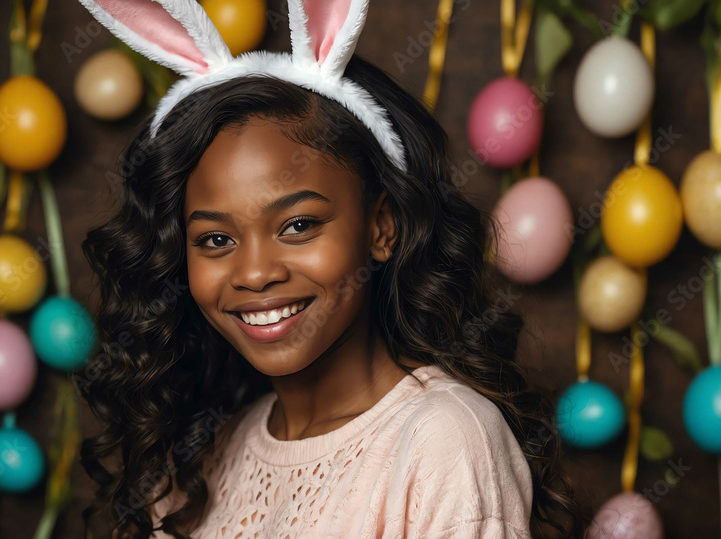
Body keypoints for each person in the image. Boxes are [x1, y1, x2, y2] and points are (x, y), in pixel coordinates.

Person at [76, 1, 590, 537]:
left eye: (297, 226)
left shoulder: (444, 439)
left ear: (381, 227)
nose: (254, 273)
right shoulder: (203, 457)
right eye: (216, 238)